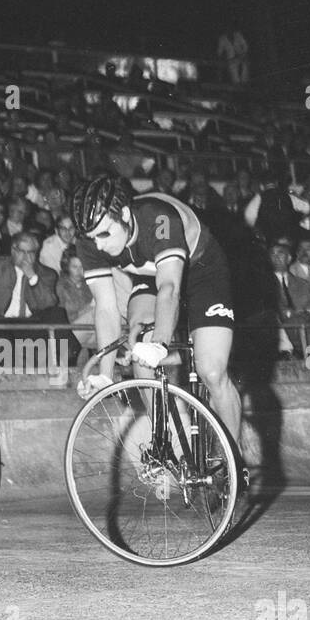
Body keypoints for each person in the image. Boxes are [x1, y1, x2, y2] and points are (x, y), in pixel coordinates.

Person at [71, 174, 243, 445]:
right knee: (139, 346)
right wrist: (106, 374)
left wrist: (160, 343)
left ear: (125, 215)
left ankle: (235, 459)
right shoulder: (90, 238)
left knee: (212, 370)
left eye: (105, 234)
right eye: (92, 238)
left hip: (201, 272)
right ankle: (162, 444)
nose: (99, 245)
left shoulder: (158, 218)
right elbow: (105, 307)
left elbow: (170, 289)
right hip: (149, 275)